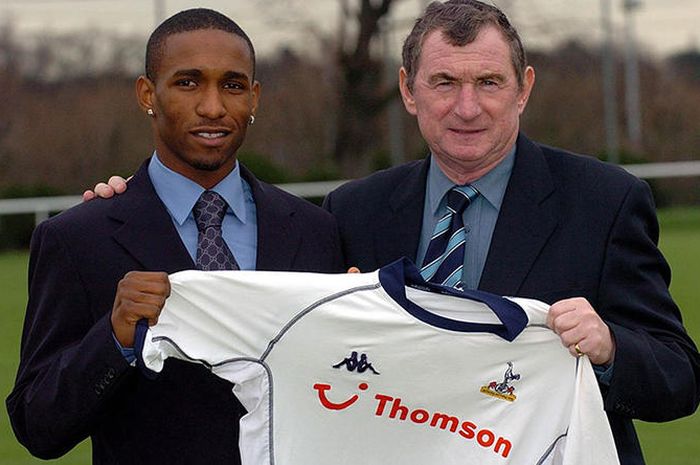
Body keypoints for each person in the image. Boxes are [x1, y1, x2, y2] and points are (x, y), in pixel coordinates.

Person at [84, 1, 700, 464]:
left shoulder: (607, 201)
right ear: (408, 91)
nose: (467, 107)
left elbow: (679, 378)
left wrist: (610, 349)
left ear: (524, 89)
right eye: (444, 83)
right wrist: (129, 200)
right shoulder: (353, 211)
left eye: (488, 82)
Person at [6, 8, 342, 464]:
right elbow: (36, 425)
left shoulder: (315, 231)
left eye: (233, 85)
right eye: (188, 83)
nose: (213, 107)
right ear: (148, 94)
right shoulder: (77, 239)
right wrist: (113, 337)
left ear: (255, 98)